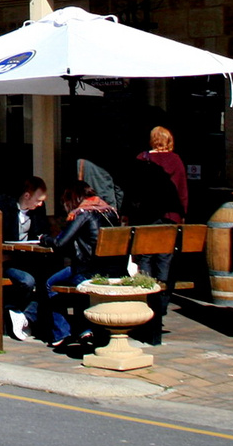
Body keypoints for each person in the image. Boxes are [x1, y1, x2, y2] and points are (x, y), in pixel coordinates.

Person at [28, 182, 120, 348]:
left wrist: (43, 239)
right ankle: (84, 329)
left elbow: (59, 243)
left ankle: (61, 334)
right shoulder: (111, 212)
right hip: (113, 271)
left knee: (50, 283)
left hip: (89, 271)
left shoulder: (83, 213)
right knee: (75, 284)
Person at [128, 125, 188, 345]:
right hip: (168, 217)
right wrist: (181, 216)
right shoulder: (176, 161)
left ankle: (144, 304)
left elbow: (132, 190)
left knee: (145, 259)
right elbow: (182, 192)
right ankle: (160, 308)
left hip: (145, 217)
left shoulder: (140, 159)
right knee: (164, 259)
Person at [0, 176, 48, 340]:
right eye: (38, 199)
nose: (41, 204)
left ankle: (23, 316)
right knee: (27, 280)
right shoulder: (3, 206)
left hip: (27, 259)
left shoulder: (38, 212)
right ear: (27, 196)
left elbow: (42, 232)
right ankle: (13, 308)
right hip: (4, 260)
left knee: (49, 281)